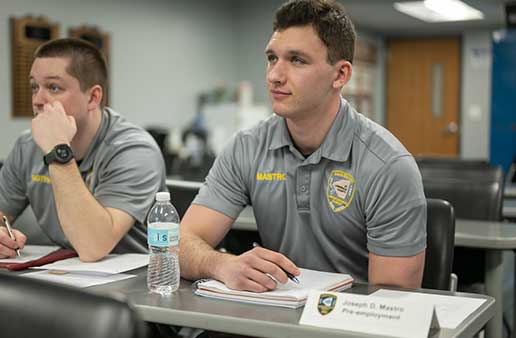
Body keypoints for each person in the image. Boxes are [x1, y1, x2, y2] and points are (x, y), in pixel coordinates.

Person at [179, 0, 426, 290]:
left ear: (340, 75)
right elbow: (178, 244)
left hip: (349, 325)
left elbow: (392, 302)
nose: (274, 75)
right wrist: (222, 264)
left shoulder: (388, 165)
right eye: (272, 58)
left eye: (297, 60)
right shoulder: (246, 148)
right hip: (271, 318)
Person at [0, 38, 165, 261]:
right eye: (34, 87)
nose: (38, 100)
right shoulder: (28, 145)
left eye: (53, 87)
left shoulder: (134, 150)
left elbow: (92, 247)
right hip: (67, 274)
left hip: (134, 281)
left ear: (93, 97)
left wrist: (57, 150)